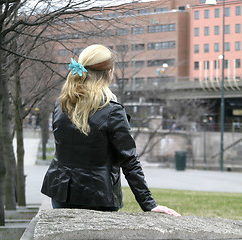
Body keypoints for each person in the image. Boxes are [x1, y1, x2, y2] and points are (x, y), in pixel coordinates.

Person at [41, 44, 180, 216]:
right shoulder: (112, 111)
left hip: (62, 193)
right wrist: (148, 204)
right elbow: (129, 160)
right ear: (109, 73)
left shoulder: (61, 104)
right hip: (98, 197)